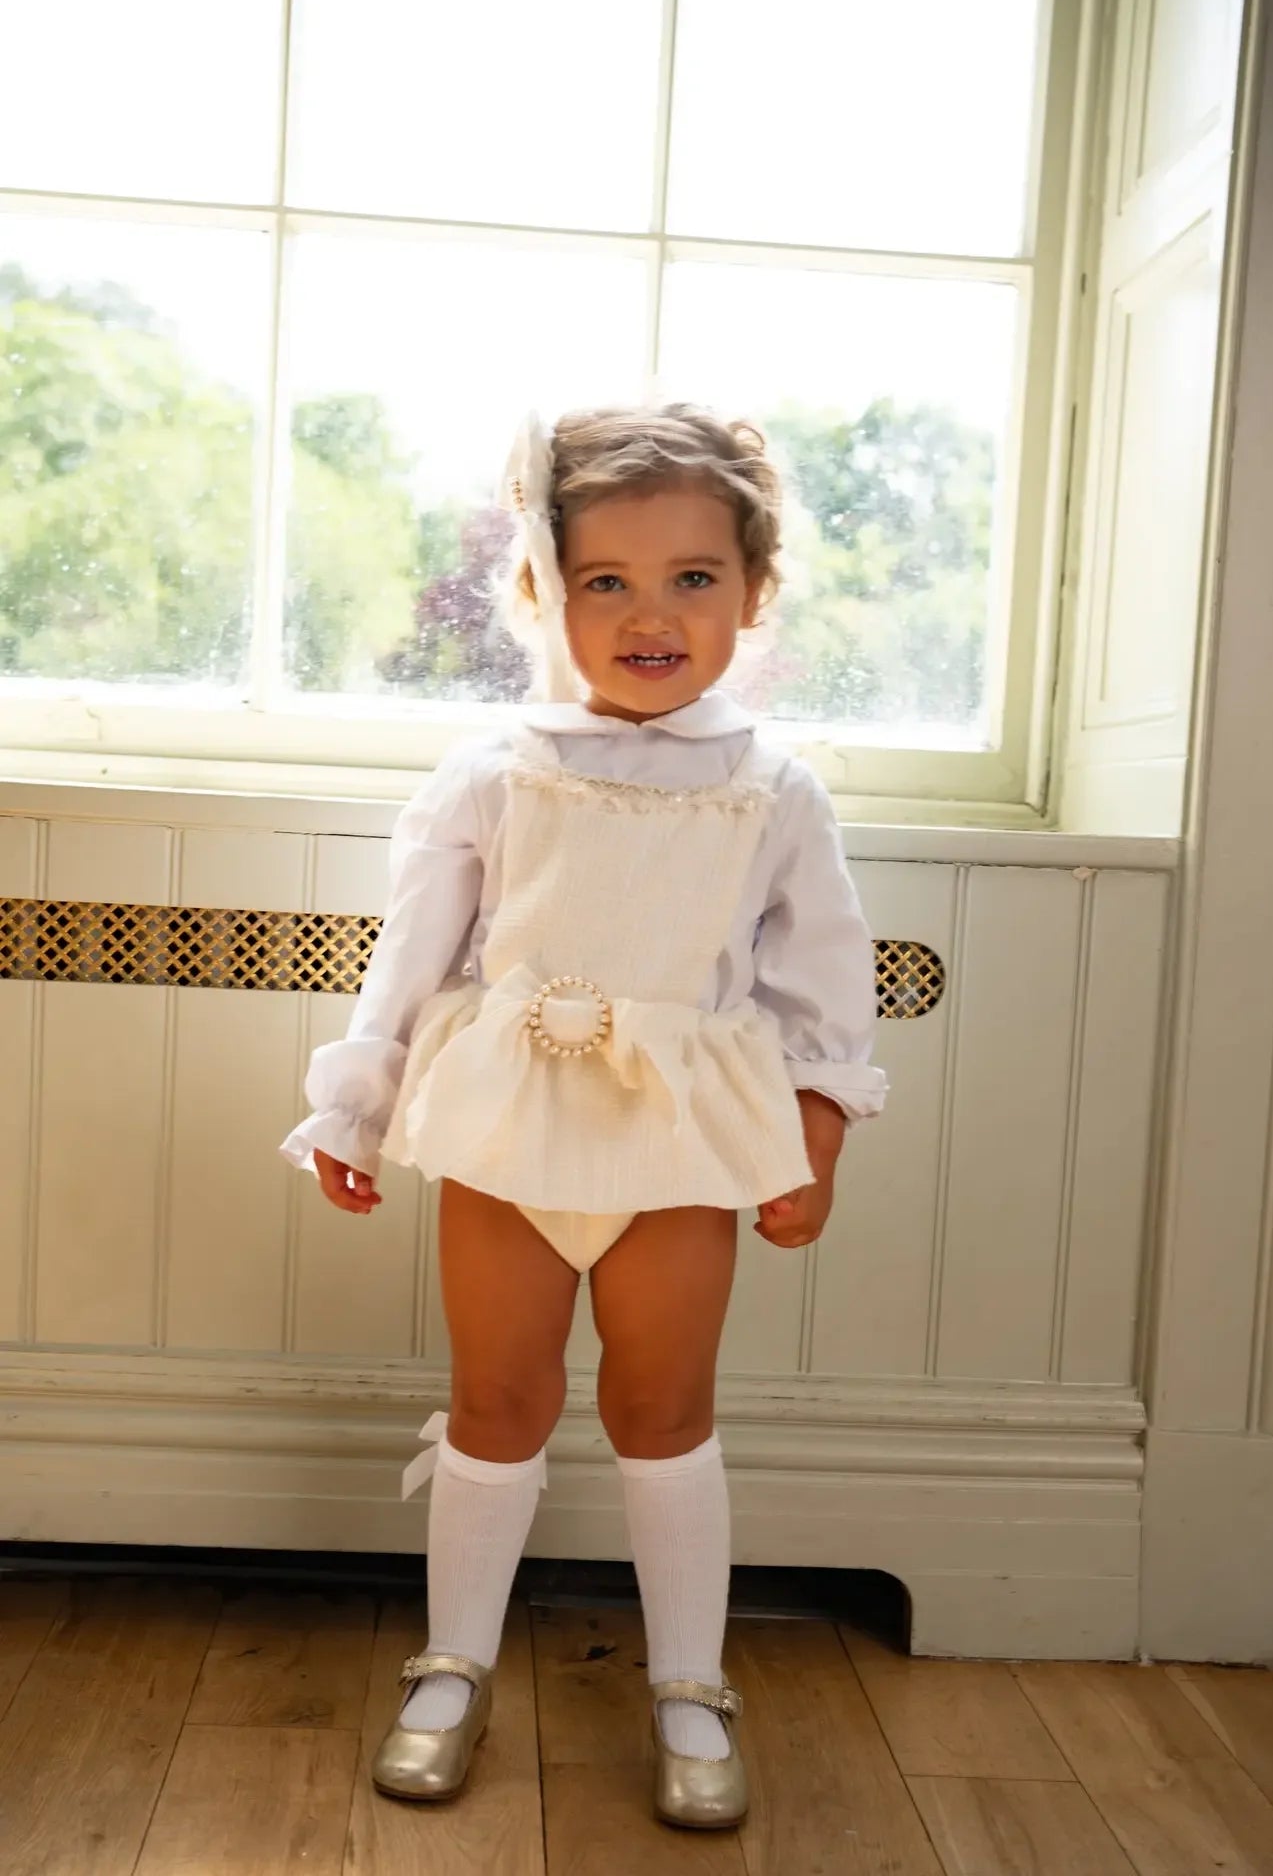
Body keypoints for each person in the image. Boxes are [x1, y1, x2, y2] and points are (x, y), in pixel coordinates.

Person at [280, 404, 887, 1830]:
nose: (649, 613)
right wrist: (354, 1112)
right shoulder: (496, 770)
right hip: (508, 1128)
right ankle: (452, 1663)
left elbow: (822, 981)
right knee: (498, 1400)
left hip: (677, 1142)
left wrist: (818, 1137)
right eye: (604, 580)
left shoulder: (772, 790)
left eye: (691, 577)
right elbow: (411, 956)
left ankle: (688, 1681)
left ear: (752, 592)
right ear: (542, 593)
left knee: (662, 1409)